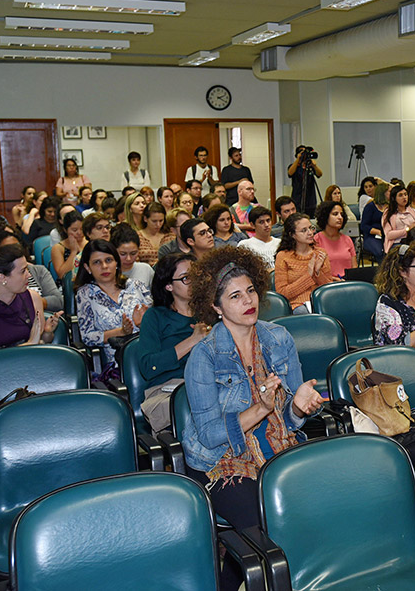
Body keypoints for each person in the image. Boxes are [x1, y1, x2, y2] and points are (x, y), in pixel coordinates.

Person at [183, 246, 324, 538]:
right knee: (267, 524)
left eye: (250, 290)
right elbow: (209, 436)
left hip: (277, 445)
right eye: (235, 296)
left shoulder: (279, 337)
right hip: (221, 461)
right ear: (216, 307)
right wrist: (260, 409)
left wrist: (298, 407)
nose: (248, 301)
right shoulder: (203, 356)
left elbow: (289, 418)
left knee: (320, 506)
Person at [132, 253, 210, 435]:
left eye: (196, 275)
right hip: (168, 390)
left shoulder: (209, 312)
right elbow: (148, 366)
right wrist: (193, 340)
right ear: (168, 286)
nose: (194, 281)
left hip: (208, 383)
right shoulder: (155, 317)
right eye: (185, 278)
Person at [75, 239, 151, 381]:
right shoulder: (85, 295)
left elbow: (157, 322)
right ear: (87, 267)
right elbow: (87, 337)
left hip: (149, 353)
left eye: (109, 260)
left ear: (116, 263)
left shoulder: (136, 286)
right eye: (97, 262)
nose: (104, 266)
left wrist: (143, 324)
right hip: (118, 365)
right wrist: (120, 332)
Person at [0, 244, 62, 359]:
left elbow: (40, 342)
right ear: (2, 278)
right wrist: (29, 344)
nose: (29, 275)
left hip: (33, 364)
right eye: (23, 271)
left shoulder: (33, 298)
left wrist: (47, 333)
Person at [0, 225, 63, 312]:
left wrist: (31, 303)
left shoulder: (38, 270)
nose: (15, 251)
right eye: (8, 249)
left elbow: (58, 301)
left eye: (17, 246)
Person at [274, 213, 334, 314]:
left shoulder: (320, 253)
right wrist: (309, 275)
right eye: (304, 230)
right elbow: (282, 293)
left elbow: (329, 290)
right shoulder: (283, 256)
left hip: (320, 302)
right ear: (292, 234)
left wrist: (318, 272)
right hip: (297, 305)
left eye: (311, 228)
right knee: (303, 313)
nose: (310, 233)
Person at [312, 200, 357, 279]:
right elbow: (315, 270)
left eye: (341, 214)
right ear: (325, 216)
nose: (340, 217)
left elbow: (354, 267)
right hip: (326, 283)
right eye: (335, 214)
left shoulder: (347, 239)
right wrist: (334, 279)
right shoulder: (317, 239)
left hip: (347, 282)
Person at [110, 223, 155, 288]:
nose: (128, 258)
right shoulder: (108, 273)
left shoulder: (146, 270)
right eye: (123, 254)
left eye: (133, 253)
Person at [382, 184, 415, 253]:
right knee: (408, 252)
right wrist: (407, 229)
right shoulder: (388, 213)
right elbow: (389, 235)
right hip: (396, 243)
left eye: (405, 194)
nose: (404, 197)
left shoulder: (412, 211)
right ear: (394, 198)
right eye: (400, 195)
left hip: (413, 241)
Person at [238, 207, 278, 271]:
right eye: (261, 222)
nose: (266, 225)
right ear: (252, 225)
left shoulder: (280, 243)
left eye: (268, 220)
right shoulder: (245, 245)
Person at [287, 144, 323, 216]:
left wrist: (314, 165)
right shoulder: (294, 166)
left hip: (310, 200)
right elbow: (290, 173)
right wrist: (298, 160)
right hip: (297, 199)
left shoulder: (309, 166)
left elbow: (320, 174)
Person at [51, 210, 85, 279]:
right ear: (65, 230)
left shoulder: (89, 242)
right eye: (74, 230)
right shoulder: (58, 248)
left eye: (82, 229)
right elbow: (61, 275)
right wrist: (74, 252)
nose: (79, 232)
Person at [359, 183, 388, 261]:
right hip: (372, 236)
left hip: (388, 235)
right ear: (383, 193)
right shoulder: (370, 207)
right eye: (388, 192)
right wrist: (378, 232)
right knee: (380, 252)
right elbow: (364, 226)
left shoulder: (391, 206)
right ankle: (383, 271)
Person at [135, 202, 167, 267]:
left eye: (161, 221)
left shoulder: (169, 236)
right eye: (154, 221)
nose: (158, 225)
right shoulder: (137, 237)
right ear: (145, 219)